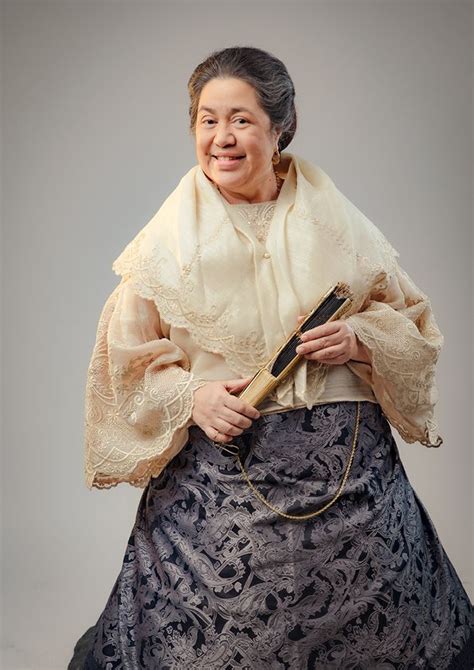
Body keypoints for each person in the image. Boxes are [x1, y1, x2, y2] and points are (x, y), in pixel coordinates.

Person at [70, 46, 473, 669]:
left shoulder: (339, 226)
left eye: (240, 120)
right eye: (207, 120)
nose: (221, 138)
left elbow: (414, 327)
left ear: (279, 127)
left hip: (352, 481)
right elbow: (125, 359)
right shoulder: (165, 242)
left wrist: (361, 338)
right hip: (220, 485)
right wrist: (192, 396)